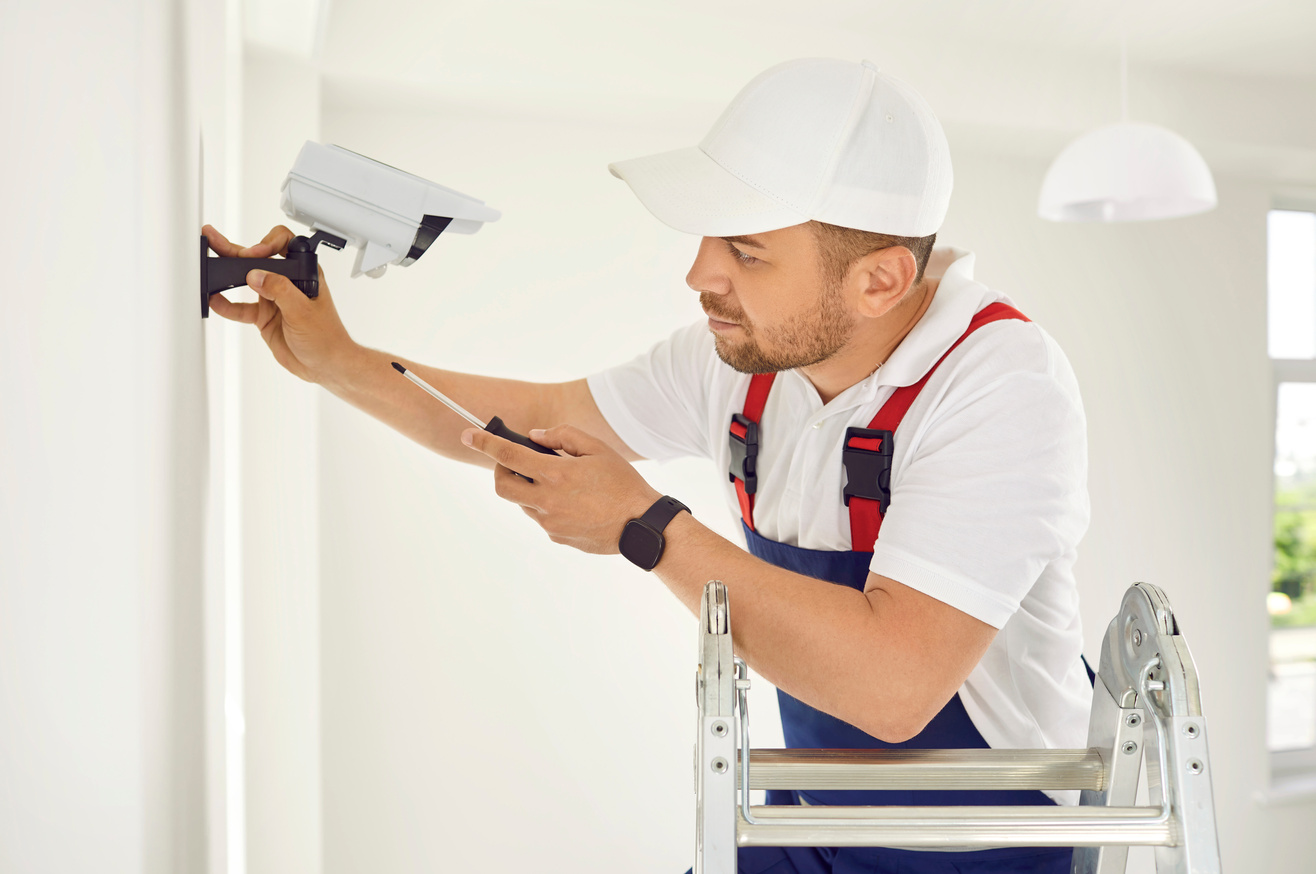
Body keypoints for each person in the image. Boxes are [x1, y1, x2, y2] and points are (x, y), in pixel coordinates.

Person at [206, 58, 1091, 874]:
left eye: (746, 251)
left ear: (881, 282)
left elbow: (892, 687)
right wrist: (341, 361)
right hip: (807, 818)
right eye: (713, 240)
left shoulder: (998, 385)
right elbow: (543, 422)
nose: (700, 274)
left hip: (985, 844)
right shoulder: (743, 366)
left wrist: (648, 528)